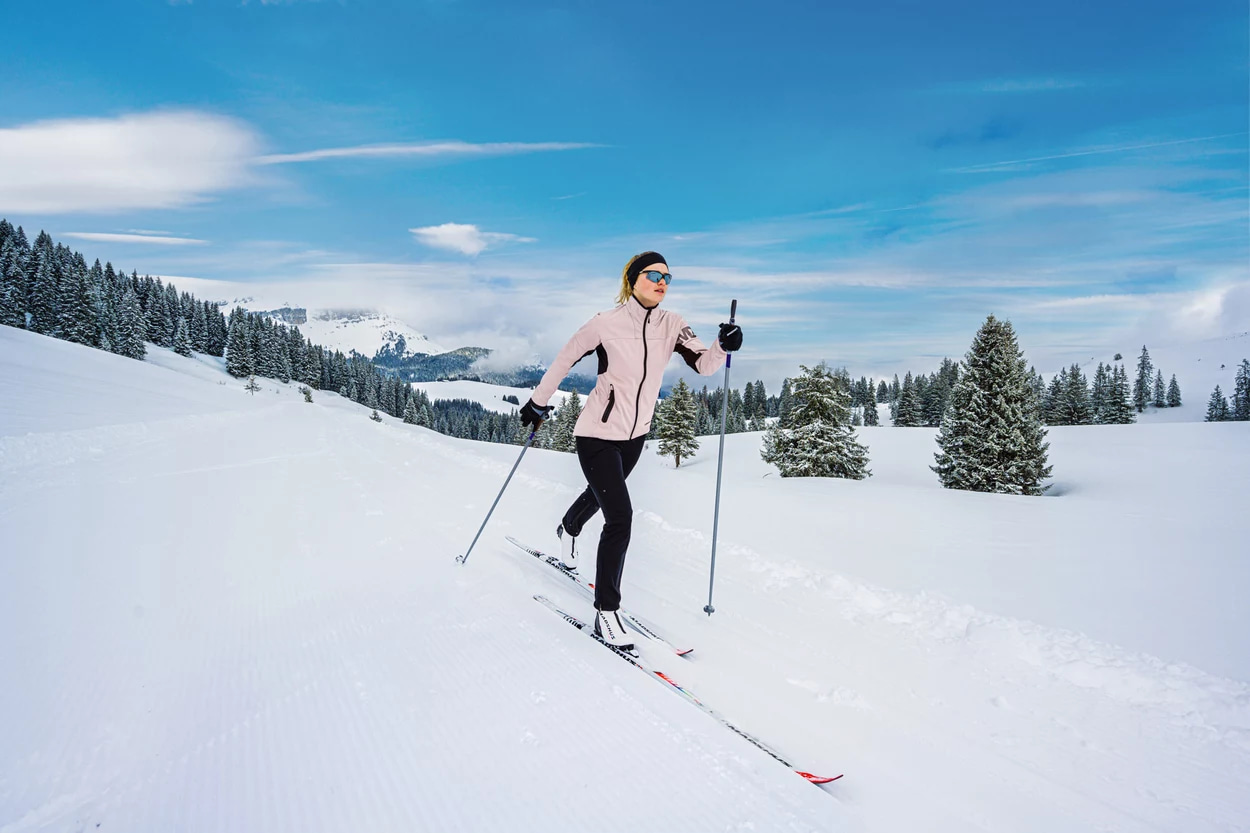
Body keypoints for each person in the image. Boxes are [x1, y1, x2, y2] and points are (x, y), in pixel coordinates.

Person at [519, 252, 743, 648]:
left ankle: (568, 527)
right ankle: (606, 612)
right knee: (620, 517)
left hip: (635, 436)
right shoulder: (605, 323)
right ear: (632, 279)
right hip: (596, 434)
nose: (662, 282)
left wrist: (722, 346)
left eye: (667, 277)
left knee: (602, 493)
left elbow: (705, 365)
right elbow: (564, 359)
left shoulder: (673, 324)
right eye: (654, 274)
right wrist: (538, 402)